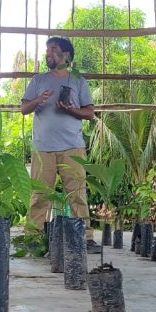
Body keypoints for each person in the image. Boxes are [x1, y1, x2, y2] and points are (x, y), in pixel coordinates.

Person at [20, 36, 95, 232]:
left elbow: (89, 113)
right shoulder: (38, 80)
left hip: (72, 147)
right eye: (47, 50)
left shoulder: (79, 81)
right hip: (43, 148)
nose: (48, 53)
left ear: (66, 54)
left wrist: (70, 109)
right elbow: (24, 109)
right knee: (39, 195)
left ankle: (84, 237)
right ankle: (32, 236)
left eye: (53, 49)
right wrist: (38, 99)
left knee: (77, 194)